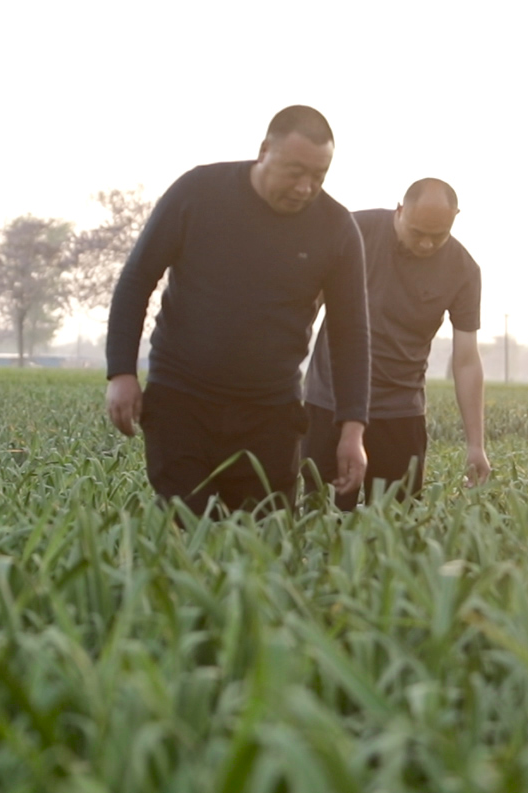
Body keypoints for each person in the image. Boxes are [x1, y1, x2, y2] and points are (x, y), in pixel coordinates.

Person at [104, 106, 371, 515]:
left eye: (319, 176)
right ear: (264, 150)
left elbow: (351, 332)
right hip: (181, 401)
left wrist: (353, 427)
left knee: (265, 544)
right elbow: (137, 278)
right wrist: (121, 371)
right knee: (183, 529)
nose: (305, 187)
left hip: (271, 412)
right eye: (295, 171)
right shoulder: (198, 192)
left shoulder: (336, 229)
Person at [302, 177, 488, 508]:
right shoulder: (352, 231)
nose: (428, 244)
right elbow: (306, 307)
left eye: (439, 236)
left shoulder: (464, 270)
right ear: (400, 210)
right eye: (418, 233)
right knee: (321, 519)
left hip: (399, 413)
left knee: (395, 528)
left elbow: (466, 360)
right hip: (330, 404)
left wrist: (476, 444)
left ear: (455, 218)